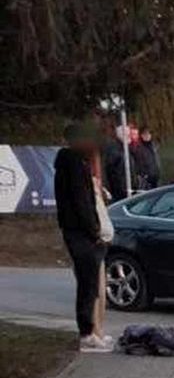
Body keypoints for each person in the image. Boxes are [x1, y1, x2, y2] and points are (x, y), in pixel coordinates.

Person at [55, 121, 114, 352]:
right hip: (81, 232)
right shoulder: (74, 165)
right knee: (88, 284)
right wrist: (94, 231)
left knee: (90, 283)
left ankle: (92, 332)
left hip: (76, 230)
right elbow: (82, 203)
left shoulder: (72, 164)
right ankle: (87, 333)